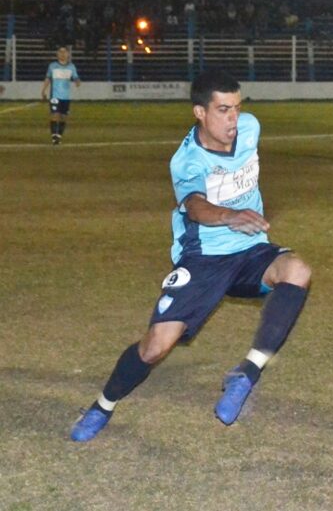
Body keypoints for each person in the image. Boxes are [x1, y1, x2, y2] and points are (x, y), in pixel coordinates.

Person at [70, 69, 312, 442]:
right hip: (203, 259)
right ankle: (102, 406)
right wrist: (230, 216)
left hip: (249, 251)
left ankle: (246, 372)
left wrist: (243, 219)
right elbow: (195, 207)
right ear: (200, 112)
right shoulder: (187, 161)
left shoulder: (250, 128)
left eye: (236, 108)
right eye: (222, 110)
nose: (233, 119)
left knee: (297, 270)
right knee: (155, 347)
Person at [41, 46, 80, 145]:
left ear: (68, 54)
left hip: (65, 96)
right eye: (60, 52)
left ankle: (59, 136)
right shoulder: (52, 66)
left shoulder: (71, 66)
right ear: (57, 54)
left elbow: (75, 77)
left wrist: (77, 81)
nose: (62, 54)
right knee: (55, 115)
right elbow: (48, 78)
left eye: (64, 52)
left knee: (63, 117)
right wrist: (43, 90)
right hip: (55, 95)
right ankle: (54, 136)